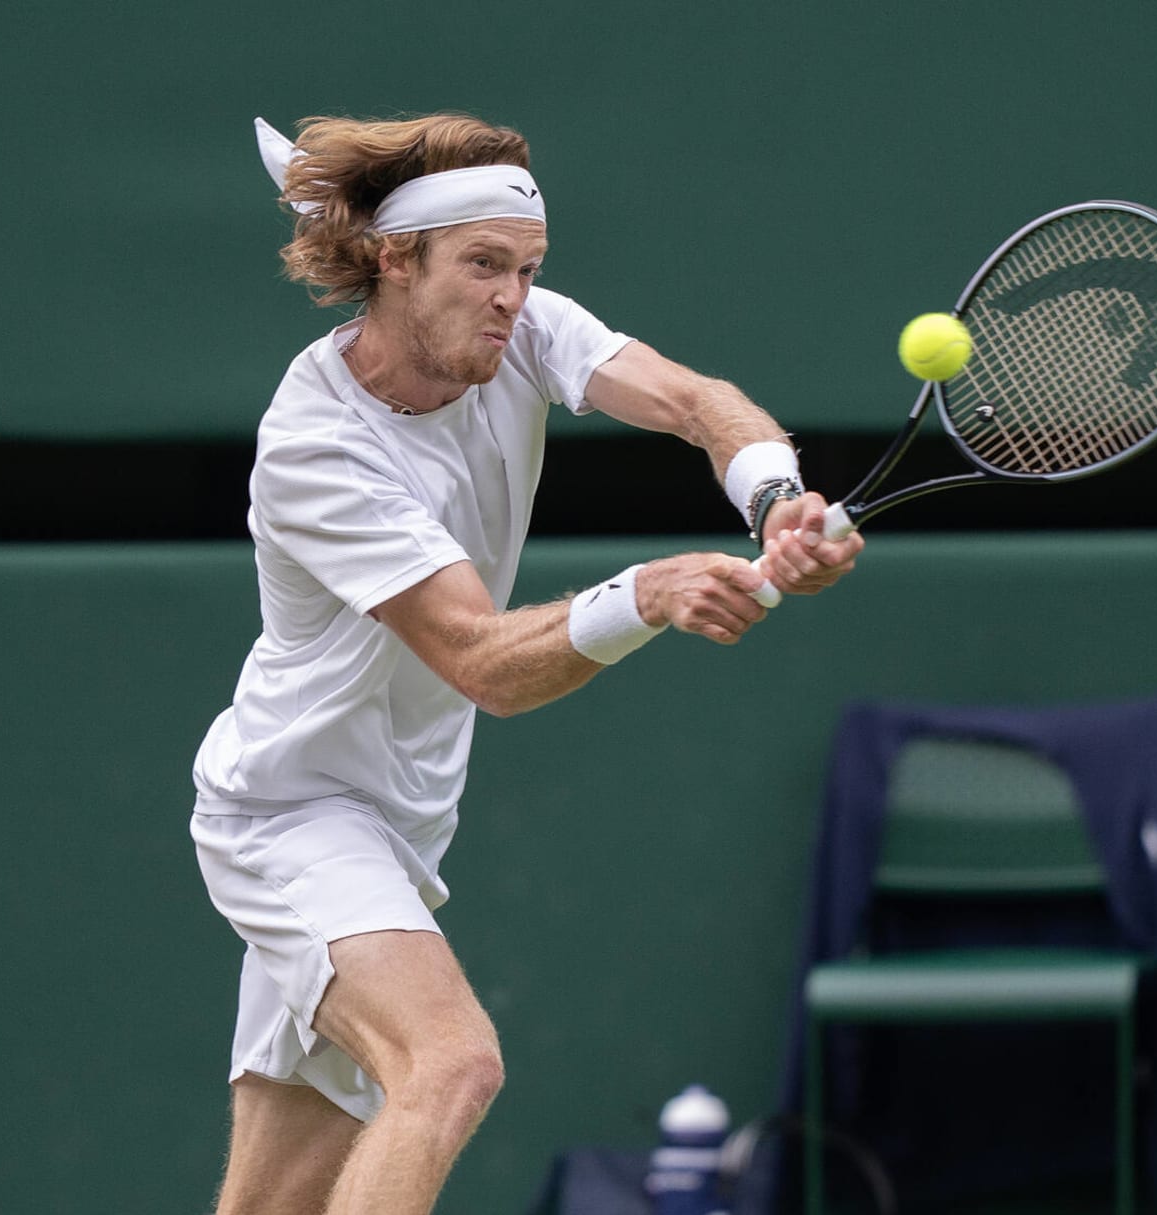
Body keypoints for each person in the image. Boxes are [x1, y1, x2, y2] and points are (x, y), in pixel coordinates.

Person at [190, 112, 865, 1215]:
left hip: (399, 824)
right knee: (449, 1065)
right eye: (484, 266)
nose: (513, 296)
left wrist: (779, 502)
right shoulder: (318, 447)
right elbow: (482, 663)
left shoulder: (523, 330)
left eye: (526, 269)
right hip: (289, 813)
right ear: (394, 260)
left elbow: (699, 403)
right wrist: (644, 595)